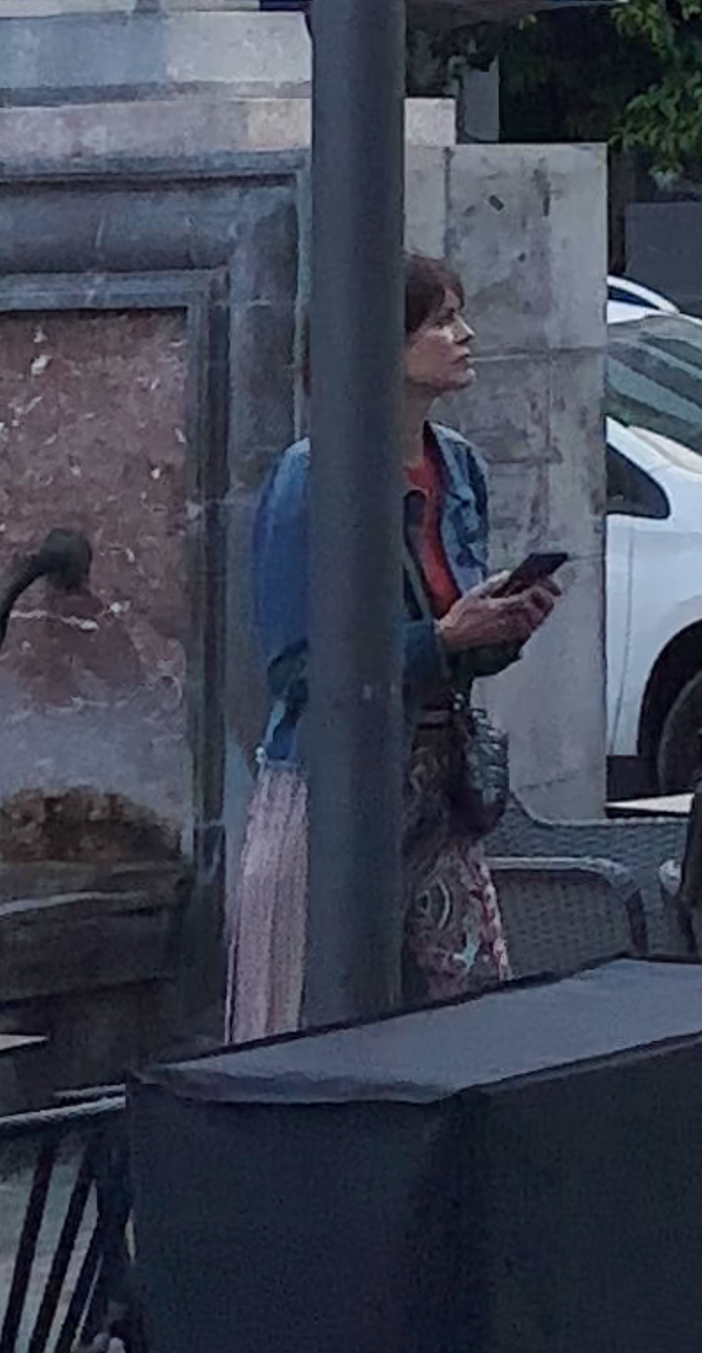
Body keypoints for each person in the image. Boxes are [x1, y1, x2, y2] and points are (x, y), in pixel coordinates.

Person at [229, 253, 558, 1034]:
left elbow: (457, 637)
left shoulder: (461, 468)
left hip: (440, 791)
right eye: (441, 319)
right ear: (383, 344)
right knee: (306, 1021)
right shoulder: (313, 477)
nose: (465, 333)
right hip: (334, 788)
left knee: (475, 1014)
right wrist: (440, 638)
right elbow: (293, 666)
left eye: (459, 313)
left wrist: (503, 626)